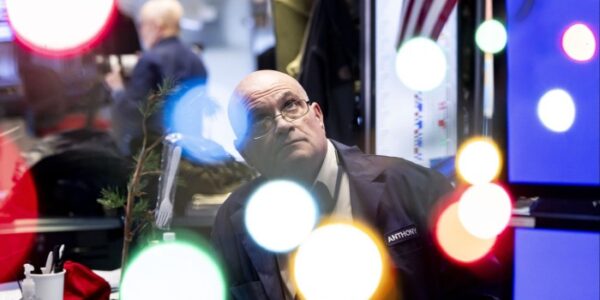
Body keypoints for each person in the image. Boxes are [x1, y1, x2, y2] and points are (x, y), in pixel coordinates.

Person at [211, 70, 499, 299]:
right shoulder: (233, 220)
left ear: (318, 116)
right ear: (243, 150)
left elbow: (482, 287)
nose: (284, 124)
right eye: (259, 121)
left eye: (290, 105)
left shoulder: (411, 185)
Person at [105, 0, 208, 154]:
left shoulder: (150, 60)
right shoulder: (196, 60)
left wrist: (118, 89)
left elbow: (136, 112)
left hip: (156, 152)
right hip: (191, 149)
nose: (141, 32)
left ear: (156, 25)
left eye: (142, 25)